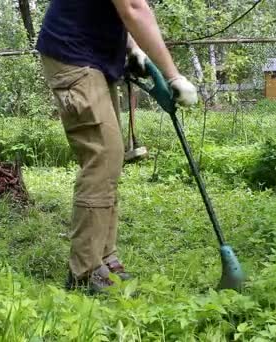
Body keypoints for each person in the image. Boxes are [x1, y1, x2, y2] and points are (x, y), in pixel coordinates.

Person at [36, 0, 198, 294]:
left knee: (111, 159)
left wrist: (133, 47)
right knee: (103, 157)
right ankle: (84, 272)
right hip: (73, 55)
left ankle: (105, 258)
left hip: (93, 58)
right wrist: (174, 75)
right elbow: (133, 8)